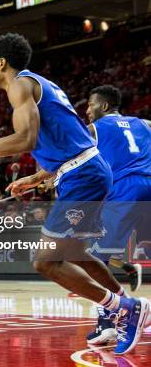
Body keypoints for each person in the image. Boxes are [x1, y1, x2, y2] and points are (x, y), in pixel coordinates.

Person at [0, 33, 148, 355]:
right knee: (73, 253)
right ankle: (120, 313)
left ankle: (125, 308)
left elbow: (25, 139)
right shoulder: (40, 86)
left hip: (82, 175)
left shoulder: (19, 84)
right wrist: (35, 178)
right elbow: (70, 142)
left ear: (1, 62)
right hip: (85, 170)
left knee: (45, 262)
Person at [83, 85, 151, 344]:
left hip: (125, 189)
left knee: (94, 260)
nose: (87, 110)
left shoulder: (97, 128)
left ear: (103, 106)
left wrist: (43, 176)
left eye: (90, 105)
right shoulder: (142, 124)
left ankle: (107, 323)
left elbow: (70, 149)